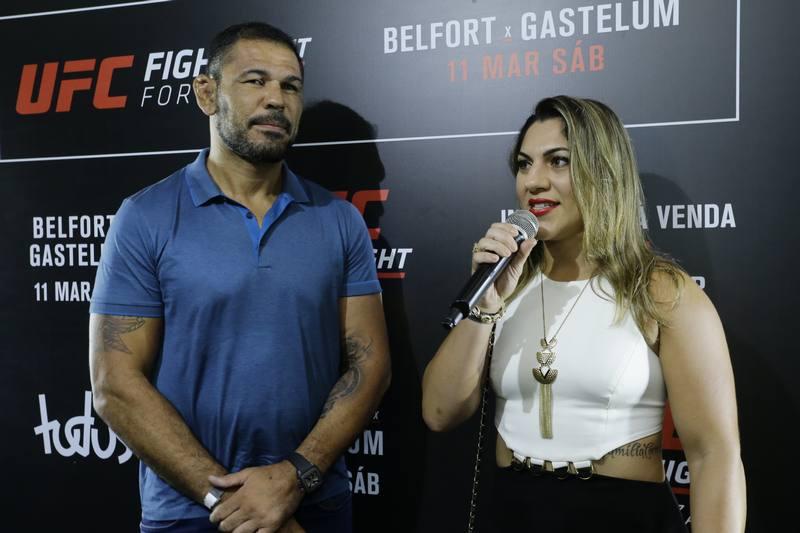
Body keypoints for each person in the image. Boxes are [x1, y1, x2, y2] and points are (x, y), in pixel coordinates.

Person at [89, 22, 390, 533]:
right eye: (255, 81)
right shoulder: (145, 217)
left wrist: (293, 479)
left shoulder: (339, 220)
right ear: (206, 93)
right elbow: (115, 384)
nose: (276, 99)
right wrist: (229, 502)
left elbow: (371, 366)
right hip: (189, 513)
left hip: (314, 505)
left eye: (290, 86)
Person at [422, 96, 745, 532]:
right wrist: (485, 308)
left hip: (622, 518)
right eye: (524, 164)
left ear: (603, 171)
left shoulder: (660, 289)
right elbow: (439, 412)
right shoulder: (505, 285)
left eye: (558, 161)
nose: (533, 181)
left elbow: (713, 456)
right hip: (513, 512)